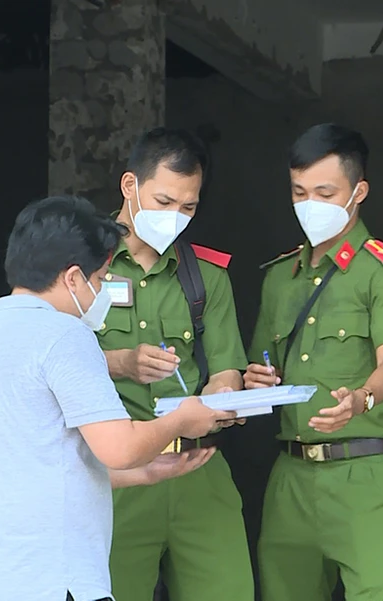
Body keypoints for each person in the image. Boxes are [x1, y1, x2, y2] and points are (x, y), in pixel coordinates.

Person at [0, 196, 236, 601]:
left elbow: (36, 466)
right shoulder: (66, 335)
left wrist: (144, 473)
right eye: (101, 279)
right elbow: (120, 448)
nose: (100, 292)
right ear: (73, 278)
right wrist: (181, 420)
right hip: (45, 581)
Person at [244, 123, 383, 601]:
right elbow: (261, 367)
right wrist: (254, 380)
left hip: (365, 470)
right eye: (299, 192)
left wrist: (361, 399)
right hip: (292, 474)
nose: (310, 205)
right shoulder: (280, 277)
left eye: (325, 193)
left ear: (358, 192)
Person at [96, 127, 255, 601]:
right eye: (164, 202)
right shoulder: (82, 263)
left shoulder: (206, 276)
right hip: (115, 472)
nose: (175, 217)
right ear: (130, 185)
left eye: (188, 207)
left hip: (198, 466)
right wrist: (121, 363)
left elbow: (226, 368)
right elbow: (45, 359)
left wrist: (224, 394)